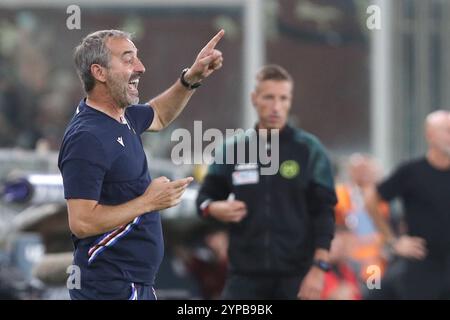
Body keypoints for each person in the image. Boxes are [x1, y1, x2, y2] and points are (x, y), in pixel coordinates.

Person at [58, 29, 224, 300]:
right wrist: (149, 202)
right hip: (109, 288)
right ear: (99, 72)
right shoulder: (86, 138)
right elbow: (82, 222)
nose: (141, 67)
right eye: (128, 59)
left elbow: (158, 114)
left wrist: (191, 78)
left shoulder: (122, 117)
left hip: (134, 284)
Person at [196, 65, 337, 300]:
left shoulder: (309, 149)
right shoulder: (233, 150)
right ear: (254, 98)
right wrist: (214, 209)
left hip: (297, 276)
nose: (276, 106)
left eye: (283, 98)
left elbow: (324, 213)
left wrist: (319, 269)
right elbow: (203, 200)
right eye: (269, 97)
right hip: (244, 276)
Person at [366, 110, 450, 299]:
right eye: (447, 131)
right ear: (430, 135)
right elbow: (372, 199)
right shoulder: (412, 172)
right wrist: (392, 241)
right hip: (422, 263)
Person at [334, 153, 389, 281]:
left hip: (374, 256)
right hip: (347, 255)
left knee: (373, 288)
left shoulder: (379, 197)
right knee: (350, 288)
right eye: (358, 170)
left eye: (366, 170)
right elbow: (336, 223)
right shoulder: (341, 193)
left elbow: (385, 226)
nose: (363, 174)